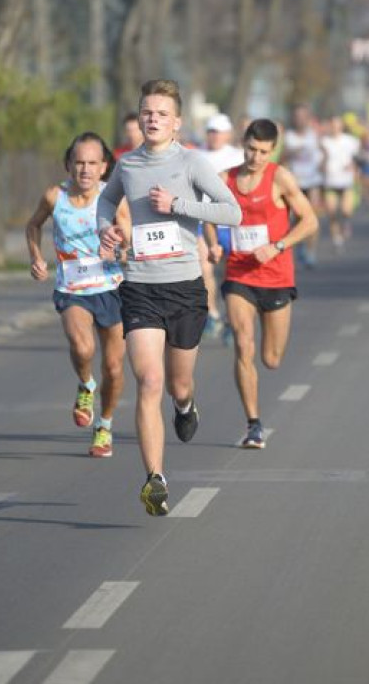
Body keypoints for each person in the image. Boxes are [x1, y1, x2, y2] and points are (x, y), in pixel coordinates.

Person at [97, 79, 241, 516]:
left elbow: (231, 212)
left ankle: (185, 405)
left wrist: (180, 204)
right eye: (146, 112)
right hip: (140, 285)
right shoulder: (127, 165)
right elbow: (106, 202)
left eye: (161, 113)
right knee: (150, 381)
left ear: (177, 122)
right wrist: (107, 228)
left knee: (177, 383)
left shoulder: (193, 163)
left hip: (184, 287)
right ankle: (155, 478)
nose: (152, 118)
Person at [206, 119, 318, 449]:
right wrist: (213, 243)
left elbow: (309, 220)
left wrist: (278, 246)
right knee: (243, 343)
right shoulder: (224, 179)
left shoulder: (280, 178)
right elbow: (208, 216)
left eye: (263, 152)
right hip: (239, 273)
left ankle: (256, 411)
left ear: (273, 150)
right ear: (243, 145)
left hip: (277, 276)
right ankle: (253, 424)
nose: (256, 158)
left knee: (271, 358)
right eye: (251, 150)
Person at [26, 132, 130, 458]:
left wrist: (120, 247)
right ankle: (86, 385)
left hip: (112, 288)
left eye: (92, 164)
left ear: (104, 167)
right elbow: (33, 226)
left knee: (113, 368)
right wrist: (36, 257)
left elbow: (128, 239)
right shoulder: (54, 197)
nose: (85, 170)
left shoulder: (113, 199)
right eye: (79, 163)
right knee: (83, 346)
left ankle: (105, 426)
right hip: (72, 289)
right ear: (69, 164)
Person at [198, 112, 244, 336]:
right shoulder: (195, 155)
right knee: (205, 268)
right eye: (211, 131)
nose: (214, 136)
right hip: (203, 220)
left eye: (218, 132)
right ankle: (212, 314)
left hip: (230, 222)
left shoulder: (239, 155)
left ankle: (229, 316)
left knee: (229, 273)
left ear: (228, 134)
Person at [283, 104, 323, 267]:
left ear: (307, 118)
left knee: (312, 216)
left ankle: (310, 251)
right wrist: (293, 152)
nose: (299, 119)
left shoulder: (314, 135)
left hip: (312, 181)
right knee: (294, 219)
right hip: (294, 183)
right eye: (297, 116)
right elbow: (282, 157)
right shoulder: (288, 136)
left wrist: (324, 164)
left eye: (302, 116)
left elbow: (324, 152)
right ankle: (298, 244)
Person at [320, 115, 360, 248]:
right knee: (331, 212)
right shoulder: (324, 142)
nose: (334, 127)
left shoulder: (350, 141)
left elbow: (358, 158)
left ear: (341, 126)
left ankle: (346, 222)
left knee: (345, 210)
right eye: (332, 125)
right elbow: (319, 160)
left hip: (346, 181)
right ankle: (336, 238)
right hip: (330, 181)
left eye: (337, 124)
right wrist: (322, 165)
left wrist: (354, 166)